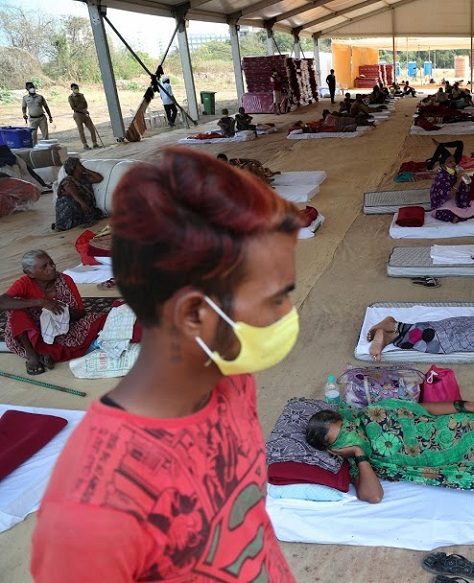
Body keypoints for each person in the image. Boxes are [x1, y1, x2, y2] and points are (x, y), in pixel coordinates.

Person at [30, 148, 300, 582]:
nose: (289, 314)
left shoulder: (231, 380)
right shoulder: (93, 508)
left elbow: (250, 528)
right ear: (195, 314)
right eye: (275, 297)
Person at [304, 398, 474, 504]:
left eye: (347, 428)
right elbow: (374, 496)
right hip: (458, 458)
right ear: (333, 451)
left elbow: (424, 411)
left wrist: (468, 406)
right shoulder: (358, 464)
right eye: (341, 441)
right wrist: (359, 454)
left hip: (456, 428)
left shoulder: (375, 413)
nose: (352, 436)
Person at [0, 250, 107, 376]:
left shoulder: (65, 280)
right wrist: (40, 302)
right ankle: (32, 355)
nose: (51, 268)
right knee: (16, 309)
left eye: (52, 263)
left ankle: (48, 355)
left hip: (63, 330)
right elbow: (2, 302)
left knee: (99, 318)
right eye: (44, 267)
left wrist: (62, 311)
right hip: (32, 332)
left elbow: (81, 314)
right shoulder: (25, 283)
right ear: (30, 273)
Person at [428, 146, 474, 223]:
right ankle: (458, 216)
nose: (453, 164)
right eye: (450, 162)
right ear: (443, 166)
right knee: (442, 213)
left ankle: (460, 215)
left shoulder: (454, 173)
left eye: (454, 161)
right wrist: (459, 180)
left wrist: (463, 179)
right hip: (442, 205)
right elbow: (449, 196)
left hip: (455, 203)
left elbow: (466, 188)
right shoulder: (441, 178)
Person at [54, 157, 105, 231]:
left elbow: (99, 178)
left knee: (97, 213)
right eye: (79, 165)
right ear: (74, 168)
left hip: (82, 207)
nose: (81, 166)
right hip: (72, 210)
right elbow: (73, 193)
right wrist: (83, 203)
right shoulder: (68, 181)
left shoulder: (84, 178)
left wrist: (86, 170)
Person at [67, 84, 99, 150]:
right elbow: (73, 107)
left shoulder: (81, 95)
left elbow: (85, 104)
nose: (76, 89)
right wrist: (82, 110)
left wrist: (85, 110)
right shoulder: (71, 97)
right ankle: (85, 145)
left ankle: (94, 143)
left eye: (77, 88)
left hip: (85, 114)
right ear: (72, 89)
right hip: (78, 114)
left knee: (91, 128)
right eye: (74, 88)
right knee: (81, 130)